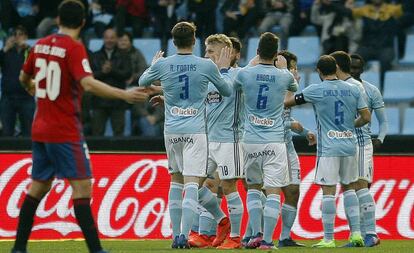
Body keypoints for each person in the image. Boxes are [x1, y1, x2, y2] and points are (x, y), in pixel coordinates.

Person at [11, 1, 148, 253]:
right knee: (83, 187)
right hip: (64, 130)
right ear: (83, 22)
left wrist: (34, 90)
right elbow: (88, 83)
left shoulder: (39, 45)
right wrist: (124, 94)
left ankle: (18, 248)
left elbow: (23, 77)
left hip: (40, 128)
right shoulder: (74, 48)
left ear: (57, 20)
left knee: (38, 187)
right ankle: (96, 250)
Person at [139, 21, 233, 249]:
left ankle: (174, 237)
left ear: (173, 41)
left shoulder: (164, 64)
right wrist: (220, 70)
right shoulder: (205, 65)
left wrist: (154, 66)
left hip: (172, 131)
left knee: (175, 182)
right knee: (192, 183)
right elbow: (227, 91)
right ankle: (183, 235)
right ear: (194, 40)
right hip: (196, 132)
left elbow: (143, 82)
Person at [284, 55, 371, 248]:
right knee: (349, 188)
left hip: (329, 148)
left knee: (328, 192)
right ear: (336, 68)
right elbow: (366, 116)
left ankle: (329, 238)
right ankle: (356, 234)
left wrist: (290, 84)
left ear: (319, 72)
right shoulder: (354, 88)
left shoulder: (316, 89)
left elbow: (287, 102)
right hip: (350, 146)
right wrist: (351, 125)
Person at [234, 32, 298, 250]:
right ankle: (268, 241)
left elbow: (233, 86)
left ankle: (255, 234)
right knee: (273, 191)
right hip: (275, 141)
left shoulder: (245, 73)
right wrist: (282, 69)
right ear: (276, 54)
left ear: (257, 50)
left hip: (250, 139)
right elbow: (294, 88)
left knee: (253, 188)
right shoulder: (284, 76)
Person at [188, 34, 244, 249]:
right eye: (206, 51)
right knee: (195, 184)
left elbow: (230, 88)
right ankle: (221, 221)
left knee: (229, 186)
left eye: (211, 51)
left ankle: (236, 237)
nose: (206, 55)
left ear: (225, 52)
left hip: (230, 139)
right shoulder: (209, 76)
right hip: (208, 140)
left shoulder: (239, 75)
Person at [277, 50, 316, 248]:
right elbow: (263, 119)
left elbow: (283, 117)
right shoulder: (270, 85)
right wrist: (291, 126)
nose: (297, 72)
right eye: (294, 68)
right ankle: (255, 236)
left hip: (287, 146)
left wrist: (303, 130)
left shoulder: (290, 87)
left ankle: (285, 237)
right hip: (269, 146)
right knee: (267, 193)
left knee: (293, 191)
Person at [350, 53, 388, 247]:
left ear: (362, 69)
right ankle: (357, 235)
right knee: (351, 192)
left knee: (362, 188)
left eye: (357, 68)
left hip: (363, 144)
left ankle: (370, 233)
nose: (353, 71)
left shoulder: (371, 90)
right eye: (350, 67)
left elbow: (383, 122)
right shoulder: (340, 89)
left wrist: (379, 140)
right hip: (345, 146)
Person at [90, 28, 132, 136]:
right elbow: (90, 76)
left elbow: (127, 73)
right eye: (107, 38)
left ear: (117, 39)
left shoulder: (124, 55)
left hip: (118, 100)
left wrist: (112, 71)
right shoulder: (94, 56)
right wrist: (103, 72)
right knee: (97, 134)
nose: (109, 40)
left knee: (119, 134)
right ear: (103, 39)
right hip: (99, 101)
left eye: (112, 38)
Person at [0, 25, 35, 137]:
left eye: (20, 34)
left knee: (28, 133)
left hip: (26, 97)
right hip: (8, 97)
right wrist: (5, 49)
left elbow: (38, 65)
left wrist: (28, 48)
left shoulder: (30, 52)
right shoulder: (6, 52)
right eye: (15, 34)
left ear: (26, 36)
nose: (17, 37)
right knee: (6, 133)